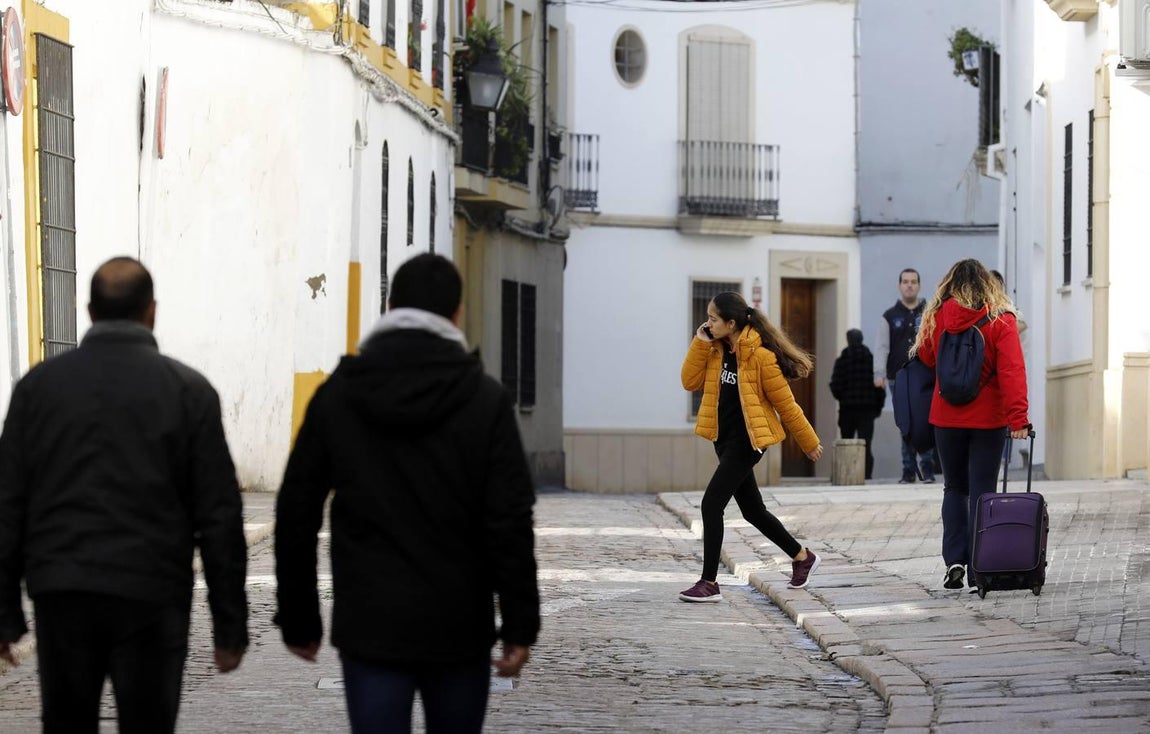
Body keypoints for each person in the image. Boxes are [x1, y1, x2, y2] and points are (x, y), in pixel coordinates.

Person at [274, 253, 540, 734]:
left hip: (370, 622)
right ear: (457, 314)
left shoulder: (339, 395)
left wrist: (299, 616)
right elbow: (510, 518)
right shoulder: (485, 400)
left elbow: (297, 509)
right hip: (459, 623)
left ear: (390, 305)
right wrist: (520, 624)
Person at [0, 257, 249, 733]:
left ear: (90, 311)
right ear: (151, 311)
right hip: (151, 591)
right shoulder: (189, 392)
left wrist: (5, 613)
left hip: (64, 590)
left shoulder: (38, 389)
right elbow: (219, 515)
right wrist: (229, 625)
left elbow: (9, 501)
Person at [678, 291, 824, 603]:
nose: (708, 323)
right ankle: (802, 557)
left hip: (749, 442)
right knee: (753, 511)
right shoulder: (715, 349)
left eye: (714, 319)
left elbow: (787, 405)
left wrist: (809, 442)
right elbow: (689, 382)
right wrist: (700, 343)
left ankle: (709, 582)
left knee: (711, 504)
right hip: (724, 439)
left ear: (731, 323)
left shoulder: (760, 356)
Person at [911, 259, 1029, 591]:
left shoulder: (936, 318)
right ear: (988, 285)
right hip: (988, 420)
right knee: (983, 491)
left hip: (946, 417)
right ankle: (981, 566)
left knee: (954, 488)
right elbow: (1012, 372)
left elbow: (927, 358)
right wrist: (1018, 419)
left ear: (949, 285)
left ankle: (955, 561)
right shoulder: (1001, 321)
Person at [875, 268, 937, 483]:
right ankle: (908, 471)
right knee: (906, 423)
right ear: (899, 285)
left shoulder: (930, 312)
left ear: (919, 285)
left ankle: (928, 470)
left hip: (925, 377)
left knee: (926, 422)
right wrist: (879, 373)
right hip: (898, 378)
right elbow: (882, 346)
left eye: (913, 281)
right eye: (905, 281)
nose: (909, 285)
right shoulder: (889, 316)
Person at [829, 329, 882, 480]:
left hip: (847, 410)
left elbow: (835, 385)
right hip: (867, 410)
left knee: (846, 443)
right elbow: (879, 387)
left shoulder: (842, 361)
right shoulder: (871, 359)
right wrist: (877, 407)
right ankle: (866, 476)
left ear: (848, 340)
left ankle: (848, 476)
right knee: (866, 445)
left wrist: (843, 399)